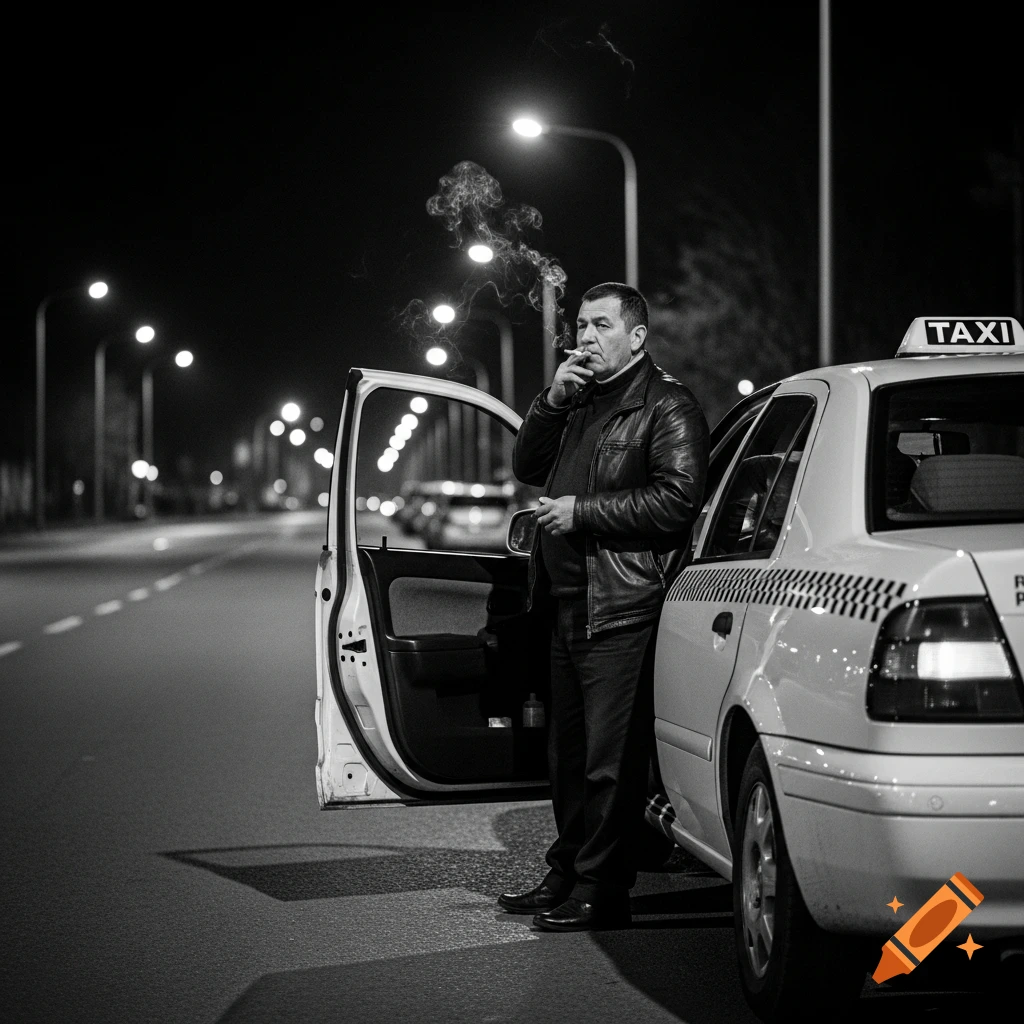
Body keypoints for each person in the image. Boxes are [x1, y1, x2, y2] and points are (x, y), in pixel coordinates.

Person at [498, 282, 709, 931]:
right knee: (565, 756)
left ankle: (602, 888)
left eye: (599, 326)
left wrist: (581, 512)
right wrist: (552, 400)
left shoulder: (666, 406)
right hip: (565, 602)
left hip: (621, 605)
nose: (584, 337)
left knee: (608, 761)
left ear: (636, 335)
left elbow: (677, 499)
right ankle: (566, 870)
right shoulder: (580, 400)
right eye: (580, 326)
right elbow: (526, 465)